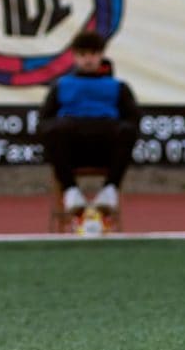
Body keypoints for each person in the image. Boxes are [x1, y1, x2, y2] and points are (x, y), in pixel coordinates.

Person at [40, 30, 139, 214]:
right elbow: (44, 119)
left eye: (93, 54)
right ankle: (71, 191)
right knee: (51, 130)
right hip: (71, 151)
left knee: (128, 130)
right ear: (75, 57)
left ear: (101, 55)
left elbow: (133, 119)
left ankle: (109, 190)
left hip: (105, 149)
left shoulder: (118, 87)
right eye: (83, 54)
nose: (88, 59)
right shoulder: (61, 85)